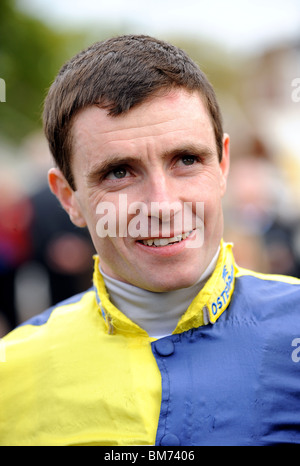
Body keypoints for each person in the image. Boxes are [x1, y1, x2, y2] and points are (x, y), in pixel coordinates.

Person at [0, 35, 300, 447]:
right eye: (119, 172)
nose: (161, 205)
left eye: (187, 160)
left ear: (223, 163)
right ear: (68, 197)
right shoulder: (10, 374)